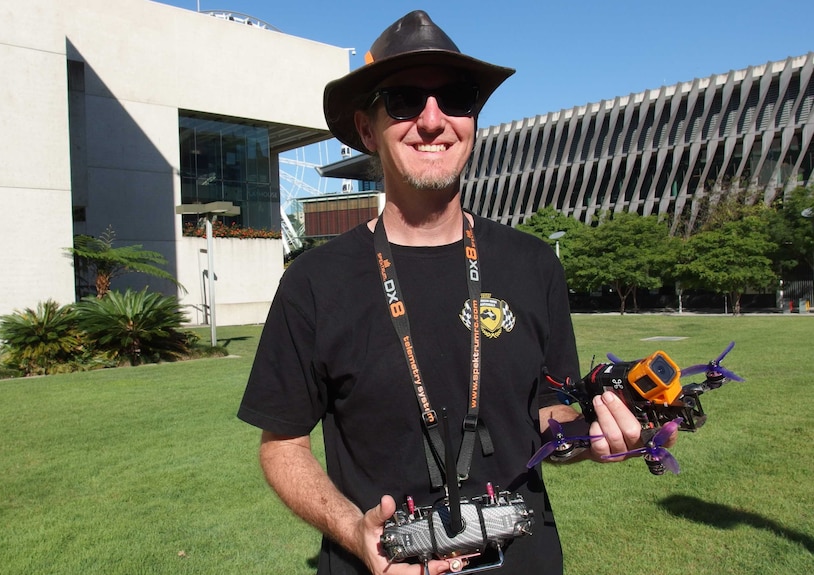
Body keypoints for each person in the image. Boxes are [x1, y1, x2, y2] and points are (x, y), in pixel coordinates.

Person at [238, 10, 653, 575]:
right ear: (367, 129)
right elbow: (281, 444)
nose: (433, 121)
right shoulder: (314, 281)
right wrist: (353, 532)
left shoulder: (533, 264)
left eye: (455, 97)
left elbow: (547, 411)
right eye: (404, 100)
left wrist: (596, 434)